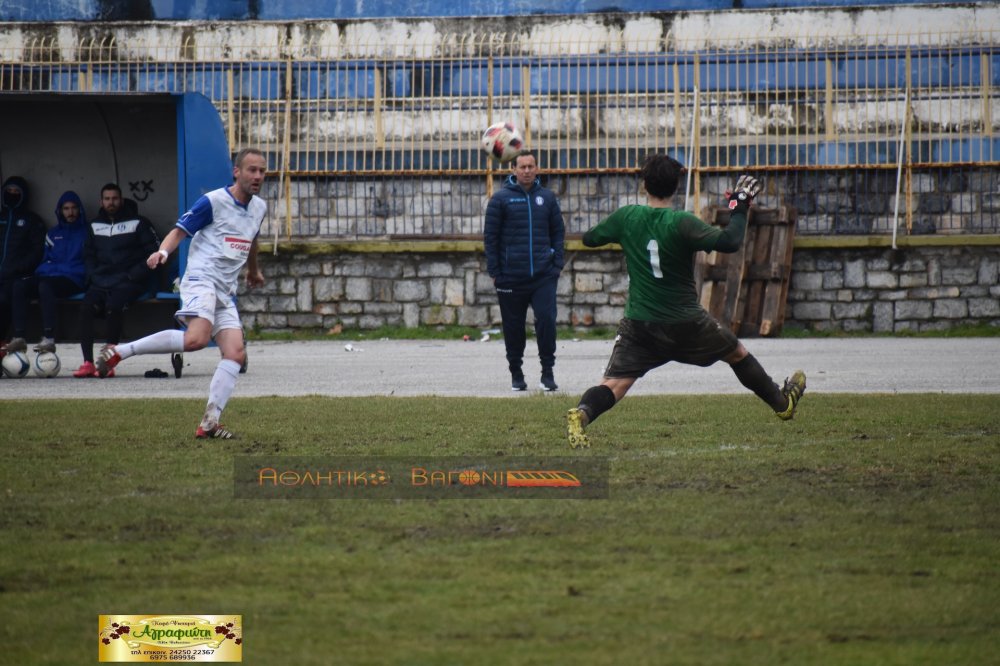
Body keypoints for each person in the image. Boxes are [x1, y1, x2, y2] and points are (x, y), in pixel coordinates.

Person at [565, 154, 806, 449]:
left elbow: (589, 239)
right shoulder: (682, 222)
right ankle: (783, 404)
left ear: (644, 186)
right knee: (738, 354)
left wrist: (622, 235)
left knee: (614, 384)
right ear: (677, 186)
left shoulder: (626, 217)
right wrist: (740, 204)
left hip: (640, 322)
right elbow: (730, 242)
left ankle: (582, 413)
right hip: (684, 320)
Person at [96, 148, 267, 439]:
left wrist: (253, 270)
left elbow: (252, 240)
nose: (258, 176)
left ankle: (210, 422)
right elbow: (179, 231)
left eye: (262, 171)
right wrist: (162, 251)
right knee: (197, 339)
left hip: (225, 288)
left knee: (235, 354)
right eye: (252, 170)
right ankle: (119, 352)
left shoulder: (260, 207)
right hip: (202, 278)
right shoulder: (212, 202)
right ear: (236, 172)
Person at [483, 149, 565, 392]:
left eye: (531, 166)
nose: (527, 171)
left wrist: (556, 264)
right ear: (514, 170)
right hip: (510, 277)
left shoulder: (547, 198)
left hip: (543, 276)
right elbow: (490, 237)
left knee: (547, 321)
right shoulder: (500, 199)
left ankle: (547, 373)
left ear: (536, 169)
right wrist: (496, 272)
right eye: (522, 167)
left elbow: (558, 232)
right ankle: (516, 373)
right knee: (513, 327)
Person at [73, 184, 160, 377]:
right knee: (86, 308)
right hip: (100, 281)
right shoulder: (94, 225)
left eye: (114, 198)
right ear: (101, 201)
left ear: (121, 200)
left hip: (128, 281)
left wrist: (132, 275)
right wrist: (93, 275)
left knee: (114, 305)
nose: (110, 202)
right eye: (107, 199)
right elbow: (87, 255)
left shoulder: (139, 222)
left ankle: (108, 363)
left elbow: (154, 255)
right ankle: (87, 362)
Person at [4, 191, 88, 355]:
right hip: (50, 276)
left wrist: (56, 269)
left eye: (73, 208)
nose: (70, 212)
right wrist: (49, 269)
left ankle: (49, 338)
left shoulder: (86, 232)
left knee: (45, 286)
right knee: (19, 285)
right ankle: (19, 337)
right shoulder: (53, 233)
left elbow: (83, 263)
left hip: (74, 279)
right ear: (60, 211)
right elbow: (45, 260)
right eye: (66, 208)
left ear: (79, 210)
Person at [0, 176, 47, 350]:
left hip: (16, 278)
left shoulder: (32, 221)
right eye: (9, 192)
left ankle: (4, 344)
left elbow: (36, 252)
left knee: (4, 300)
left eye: (16, 192)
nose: (12, 195)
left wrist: (16, 269)